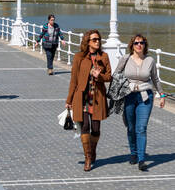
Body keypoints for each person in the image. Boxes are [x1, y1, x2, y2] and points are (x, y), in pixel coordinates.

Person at [110, 33, 165, 171]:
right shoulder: (125, 59)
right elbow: (116, 75)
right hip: (128, 96)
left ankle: (141, 160)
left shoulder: (150, 60)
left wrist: (162, 94)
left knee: (141, 128)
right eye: (136, 43)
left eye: (141, 43)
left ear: (145, 45)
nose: (139, 45)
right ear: (132, 45)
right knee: (131, 127)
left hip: (145, 96)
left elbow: (155, 78)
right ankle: (133, 153)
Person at [67, 29, 111, 171]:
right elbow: (73, 80)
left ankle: (93, 150)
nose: (97, 41)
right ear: (88, 42)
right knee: (85, 127)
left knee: (96, 129)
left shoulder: (104, 56)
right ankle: (87, 157)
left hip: (97, 97)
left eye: (98, 39)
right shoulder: (79, 57)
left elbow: (109, 76)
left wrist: (100, 76)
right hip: (82, 98)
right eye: (94, 40)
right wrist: (69, 100)